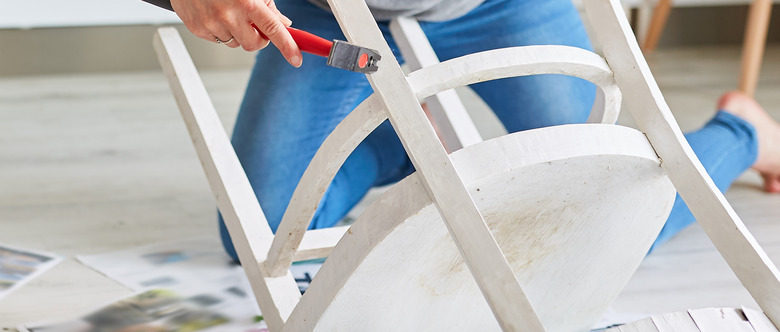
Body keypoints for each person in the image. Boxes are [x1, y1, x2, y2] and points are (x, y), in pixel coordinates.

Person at [152, 0, 780, 260]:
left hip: (496, 4)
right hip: (326, 17)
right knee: (257, 235)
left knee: (609, 225)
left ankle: (743, 130)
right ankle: (398, 144)